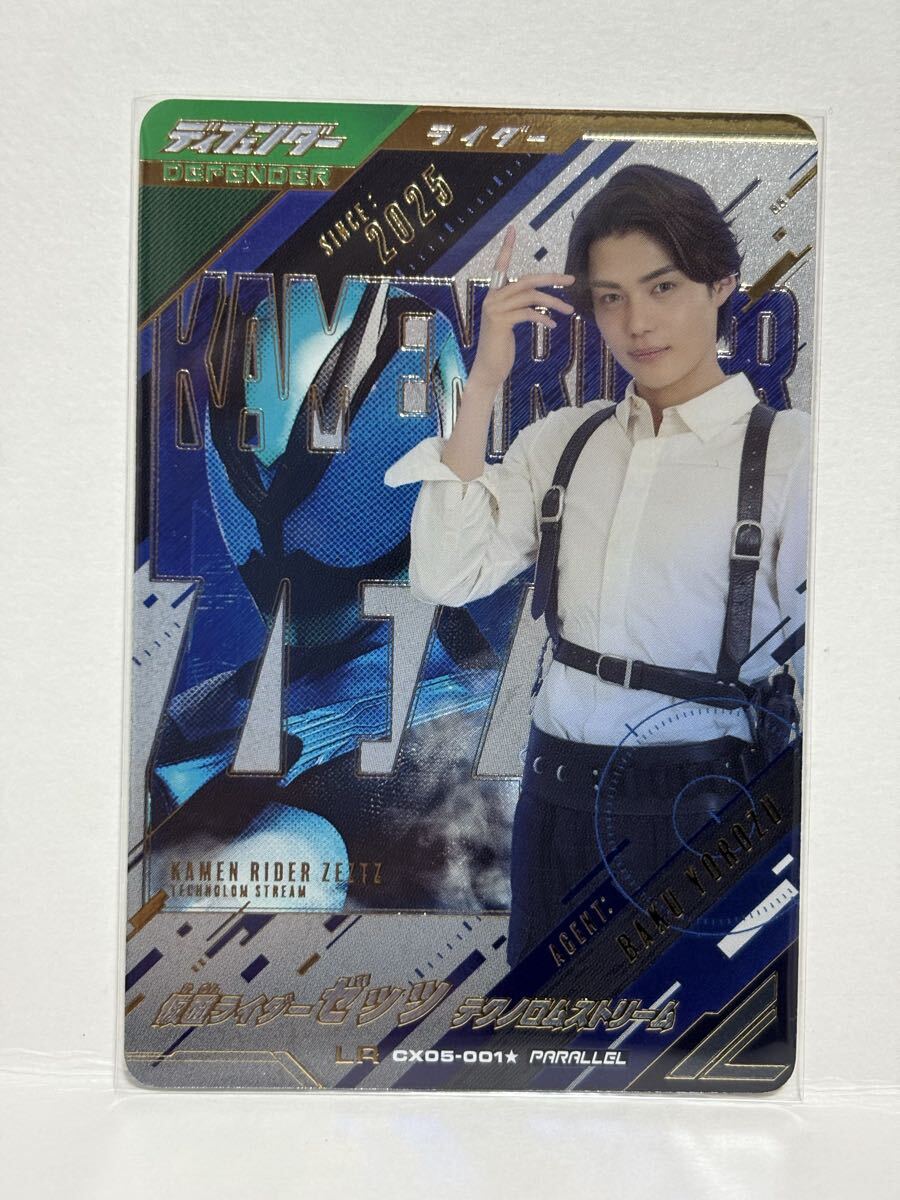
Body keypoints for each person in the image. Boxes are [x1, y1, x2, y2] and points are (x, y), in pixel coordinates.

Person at [385, 164, 809, 965]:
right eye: (611, 297)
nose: (637, 323)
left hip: (706, 804)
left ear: (721, 283)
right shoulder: (565, 442)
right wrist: (484, 381)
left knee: (690, 1033)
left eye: (663, 287)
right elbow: (447, 575)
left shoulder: (793, 457)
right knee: (545, 1026)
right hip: (554, 795)